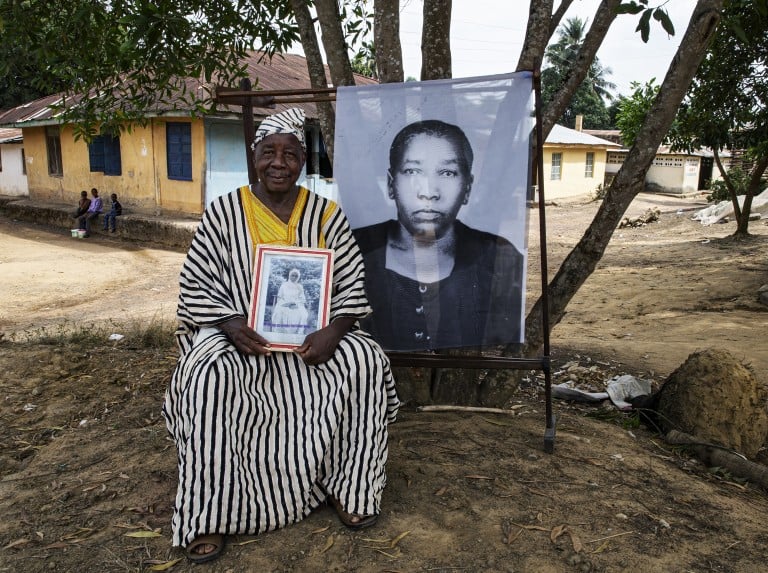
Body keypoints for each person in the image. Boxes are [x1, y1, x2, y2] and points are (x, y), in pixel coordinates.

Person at [162, 108, 399, 564]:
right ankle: (208, 512)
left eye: (290, 154)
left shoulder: (327, 215)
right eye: (269, 152)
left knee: (365, 360)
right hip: (238, 335)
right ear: (254, 157)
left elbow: (351, 283)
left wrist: (336, 328)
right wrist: (230, 324)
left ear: (302, 163)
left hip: (312, 339)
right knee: (208, 372)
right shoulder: (223, 212)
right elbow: (196, 283)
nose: (279, 162)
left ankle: (348, 488)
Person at [353, 119, 525, 351]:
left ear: (468, 187)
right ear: (391, 184)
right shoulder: (354, 249)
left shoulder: (498, 257)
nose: (429, 192)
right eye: (413, 171)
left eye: (447, 172)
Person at [270, 268, 309, 333]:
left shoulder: (299, 286)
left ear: (298, 277)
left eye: (296, 276)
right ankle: (279, 332)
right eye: (292, 275)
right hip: (284, 302)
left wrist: (294, 303)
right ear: (289, 276)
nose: (294, 277)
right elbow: (280, 296)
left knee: (303, 314)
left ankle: (296, 333)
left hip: (295, 303)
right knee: (280, 312)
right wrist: (285, 303)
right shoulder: (284, 285)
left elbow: (302, 298)